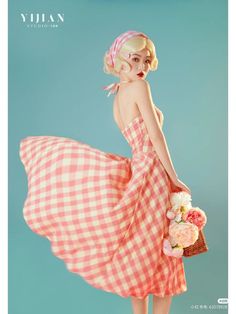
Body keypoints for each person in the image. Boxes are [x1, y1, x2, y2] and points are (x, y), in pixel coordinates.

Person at [19, 30, 191, 314]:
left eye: (146, 61)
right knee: (161, 248)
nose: (142, 67)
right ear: (121, 61)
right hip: (153, 173)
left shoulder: (119, 94)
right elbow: (156, 137)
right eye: (135, 60)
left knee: (141, 246)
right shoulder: (138, 88)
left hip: (140, 169)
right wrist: (174, 178)